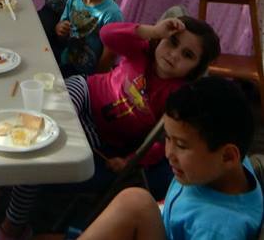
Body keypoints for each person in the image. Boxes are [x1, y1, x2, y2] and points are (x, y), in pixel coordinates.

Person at [0, 16, 221, 238]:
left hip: (98, 135)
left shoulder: (177, 96)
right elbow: (107, 34)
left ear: (195, 68)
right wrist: (152, 31)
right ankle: (1, 197)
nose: (174, 54)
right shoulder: (141, 51)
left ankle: (11, 222)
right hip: (84, 93)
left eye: (187, 55)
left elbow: (162, 142)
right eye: (172, 42)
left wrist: (131, 160)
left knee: (42, 153)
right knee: (39, 134)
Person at [78, 77, 263, 240]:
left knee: (135, 201)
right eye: (167, 138)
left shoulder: (216, 230)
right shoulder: (220, 168)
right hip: (164, 223)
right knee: (135, 202)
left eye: (181, 145)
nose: (168, 153)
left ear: (228, 156)